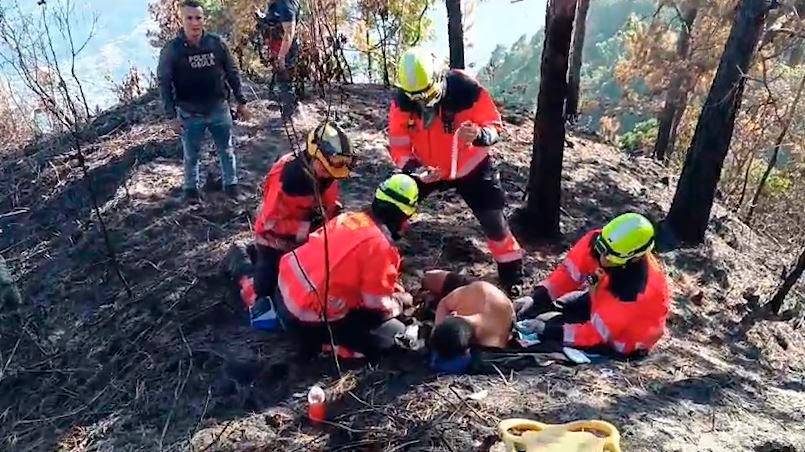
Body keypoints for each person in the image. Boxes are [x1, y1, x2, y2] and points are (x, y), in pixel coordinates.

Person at [388, 47, 524, 293]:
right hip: (429, 168)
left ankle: (512, 275)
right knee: (393, 205)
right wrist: (415, 170)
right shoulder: (403, 102)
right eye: (417, 98)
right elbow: (398, 145)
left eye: (428, 95)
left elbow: (495, 126)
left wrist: (480, 135)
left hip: (471, 166)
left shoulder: (466, 89)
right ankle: (383, 257)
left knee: (494, 222)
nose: (423, 103)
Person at [274, 174, 420, 360]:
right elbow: (375, 304)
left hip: (282, 294)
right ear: (400, 217)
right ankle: (329, 348)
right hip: (305, 320)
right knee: (394, 339)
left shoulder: (348, 218)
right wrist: (399, 302)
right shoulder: (380, 246)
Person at [516, 213, 670, 358]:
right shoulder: (599, 242)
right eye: (602, 249)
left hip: (622, 339)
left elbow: (595, 335)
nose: (602, 259)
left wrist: (548, 331)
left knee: (548, 341)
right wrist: (537, 297)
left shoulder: (633, 294)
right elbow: (569, 272)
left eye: (611, 257)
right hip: (600, 299)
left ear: (633, 258)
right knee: (548, 308)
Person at [246, 122, 354, 328]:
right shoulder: (288, 179)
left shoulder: (328, 172)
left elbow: (328, 200)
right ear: (314, 156)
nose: (332, 171)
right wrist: (308, 226)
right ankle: (247, 270)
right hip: (275, 242)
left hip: (307, 240)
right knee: (265, 290)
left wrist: (330, 215)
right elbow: (271, 222)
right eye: (328, 166)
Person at [158, 0, 251, 203]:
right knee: (191, 156)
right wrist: (170, 116)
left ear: (203, 19)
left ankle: (231, 186)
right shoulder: (172, 50)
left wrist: (241, 101)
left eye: (198, 18)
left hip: (219, 108)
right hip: (190, 113)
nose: (194, 23)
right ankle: (191, 191)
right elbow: (164, 84)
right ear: (181, 20)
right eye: (189, 18)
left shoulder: (216, 43)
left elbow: (232, 72)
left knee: (226, 150)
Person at [424, 270, 516, 373]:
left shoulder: (493, 342)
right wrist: (438, 326)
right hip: (476, 289)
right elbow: (444, 303)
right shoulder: (472, 293)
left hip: (499, 302)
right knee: (429, 277)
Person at [257, 0, 300, 118]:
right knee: (281, 80)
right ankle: (291, 109)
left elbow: (289, 32)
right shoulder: (277, 4)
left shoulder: (285, 4)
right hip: (277, 47)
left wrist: (281, 57)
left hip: (285, 49)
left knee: (284, 80)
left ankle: (288, 118)